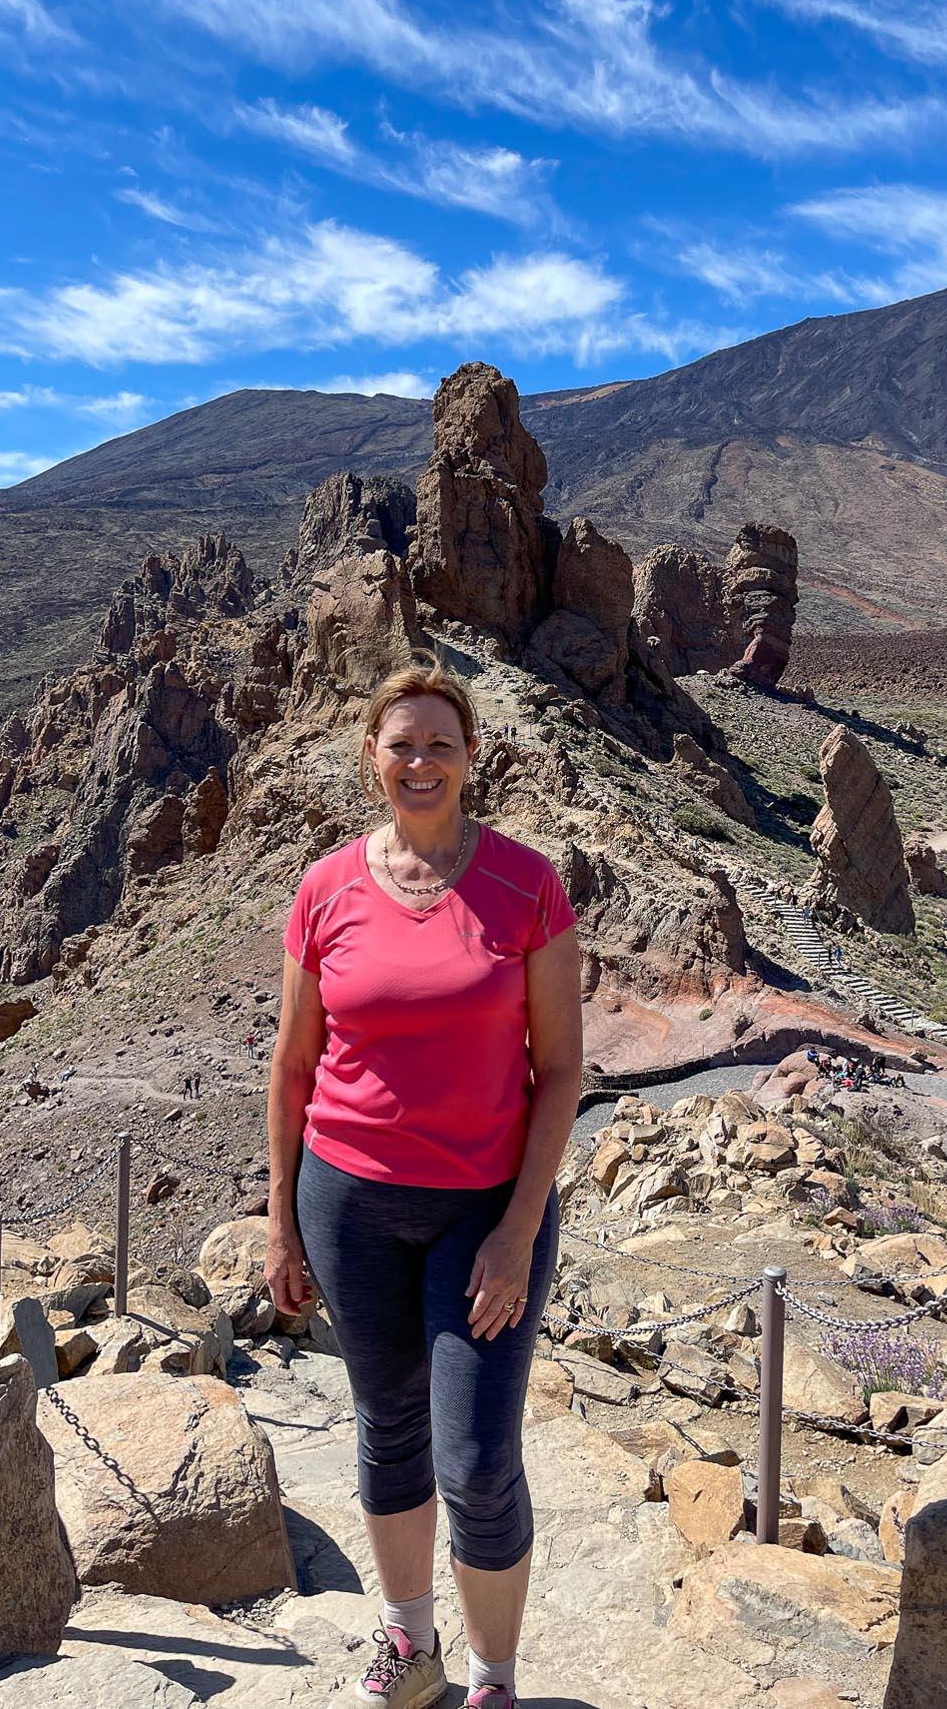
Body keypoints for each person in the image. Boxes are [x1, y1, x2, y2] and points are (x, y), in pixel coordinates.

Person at [267, 654, 582, 1709]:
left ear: (471, 756)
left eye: (439, 743)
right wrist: (281, 1222)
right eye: (401, 743)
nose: (420, 760)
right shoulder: (327, 887)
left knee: (479, 1457)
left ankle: (492, 1680)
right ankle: (411, 1650)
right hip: (347, 1201)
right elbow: (293, 1065)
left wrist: (518, 1228)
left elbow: (564, 1068)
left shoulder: (524, 883)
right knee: (386, 1424)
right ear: (373, 758)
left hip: (485, 1213)